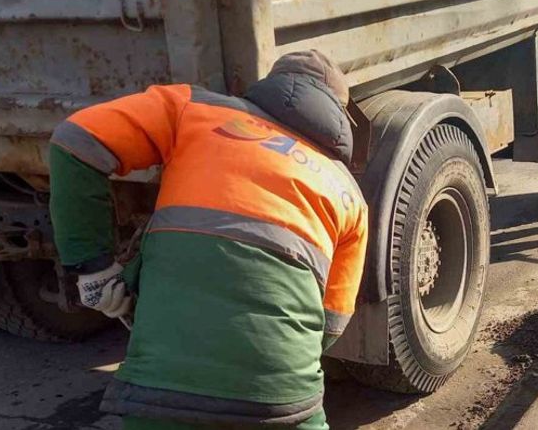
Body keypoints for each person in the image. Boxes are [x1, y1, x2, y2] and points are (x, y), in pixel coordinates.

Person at [49, 50, 368, 430]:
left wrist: (94, 268)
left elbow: (75, 141)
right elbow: (330, 324)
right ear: (338, 114)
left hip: (161, 395)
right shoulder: (350, 194)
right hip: (285, 407)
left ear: (272, 86)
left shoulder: (193, 108)